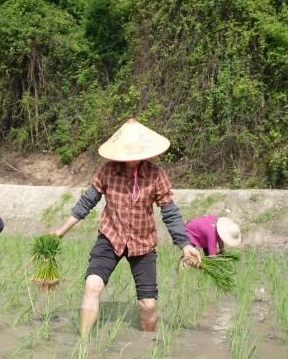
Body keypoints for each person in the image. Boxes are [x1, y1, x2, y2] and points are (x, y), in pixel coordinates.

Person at [53, 118, 202, 335]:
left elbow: (170, 212)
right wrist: (61, 231)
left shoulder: (155, 174)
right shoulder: (108, 171)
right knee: (92, 286)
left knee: (148, 304)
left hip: (142, 244)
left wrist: (185, 244)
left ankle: (147, 345)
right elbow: (87, 201)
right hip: (110, 237)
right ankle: (83, 344)